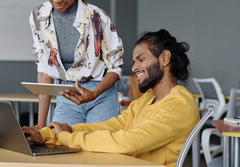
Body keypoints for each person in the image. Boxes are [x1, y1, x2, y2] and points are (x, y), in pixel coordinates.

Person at [23, 29, 200, 167]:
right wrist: (47, 135)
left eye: (141, 60)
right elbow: (109, 127)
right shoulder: (146, 100)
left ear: (164, 58)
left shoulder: (180, 105)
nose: (134, 68)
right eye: (135, 61)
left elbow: (127, 143)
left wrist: (67, 138)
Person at [29, 0, 124, 129]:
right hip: (66, 94)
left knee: (100, 152)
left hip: (100, 96)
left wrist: (95, 93)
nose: (56, 0)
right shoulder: (39, 17)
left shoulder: (98, 18)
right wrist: (40, 124)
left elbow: (115, 67)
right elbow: (45, 71)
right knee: (63, 147)